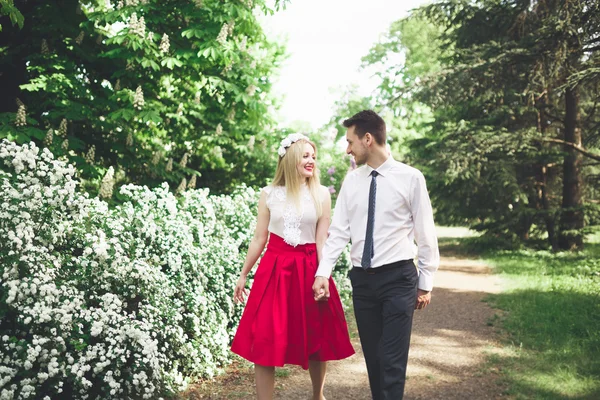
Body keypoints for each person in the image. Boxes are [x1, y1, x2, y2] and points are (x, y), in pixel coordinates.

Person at [312, 110, 439, 400]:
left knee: (392, 360)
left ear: (368, 139)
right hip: (363, 282)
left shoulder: (411, 178)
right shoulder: (352, 182)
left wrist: (426, 280)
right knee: (374, 358)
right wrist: (323, 273)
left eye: (350, 142)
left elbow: (425, 231)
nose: (347, 149)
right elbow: (339, 232)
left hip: (398, 279)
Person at [231, 133, 355, 400]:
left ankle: (317, 395)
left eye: (313, 156)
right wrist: (243, 274)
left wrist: (324, 275)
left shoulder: (321, 194)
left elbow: (322, 240)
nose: (311, 161)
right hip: (274, 271)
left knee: (317, 335)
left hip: (310, 268)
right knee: (265, 338)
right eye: (305, 156)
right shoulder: (269, 194)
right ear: (290, 160)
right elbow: (259, 238)